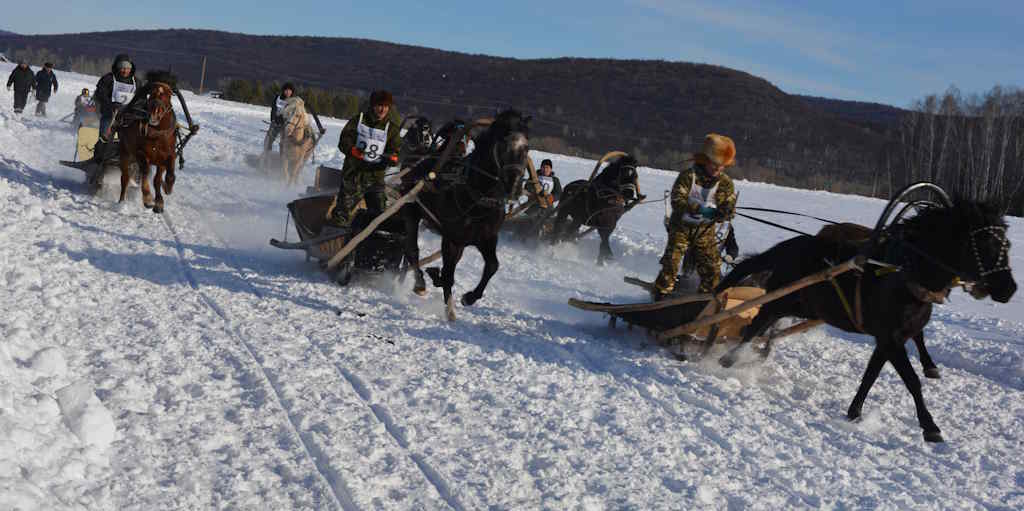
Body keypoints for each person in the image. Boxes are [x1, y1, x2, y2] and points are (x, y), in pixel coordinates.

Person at [652, 133, 738, 299]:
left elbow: (728, 204)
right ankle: (659, 296)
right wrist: (700, 209)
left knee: (712, 268)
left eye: (722, 167)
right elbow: (677, 201)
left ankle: (703, 301)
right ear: (706, 160)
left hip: (704, 231)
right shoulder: (688, 176)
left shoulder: (725, 182)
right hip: (681, 228)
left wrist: (725, 212)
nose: (718, 170)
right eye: (715, 166)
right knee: (672, 263)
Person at [324, 90, 402, 232]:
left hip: (375, 178)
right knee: (342, 214)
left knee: (379, 217)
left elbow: (396, 151)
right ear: (373, 105)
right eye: (379, 105)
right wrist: (353, 151)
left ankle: (371, 247)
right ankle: (333, 244)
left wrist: (393, 158)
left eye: (386, 106)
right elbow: (344, 141)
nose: (382, 109)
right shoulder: (358, 121)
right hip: (354, 176)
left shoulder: (392, 129)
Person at [90, 54, 138, 162]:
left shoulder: (136, 82)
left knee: (128, 141)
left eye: (127, 68)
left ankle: (126, 161)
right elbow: (100, 94)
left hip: (127, 118)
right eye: (122, 67)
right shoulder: (108, 79)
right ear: (117, 67)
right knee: (104, 139)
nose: (125, 70)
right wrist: (111, 104)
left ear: (131, 68)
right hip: (109, 115)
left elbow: (140, 99)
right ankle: (98, 160)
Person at [265, 83, 325, 154]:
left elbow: (310, 108)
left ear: (292, 91)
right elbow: (273, 110)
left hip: (290, 123)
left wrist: (320, 126)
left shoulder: (295, 100)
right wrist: (273, 120)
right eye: (286, 90)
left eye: (289, 91)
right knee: (270, 137)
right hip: (278, 122)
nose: (288, 92)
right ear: (283, 91)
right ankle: (267, 154)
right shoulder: (278, 99)